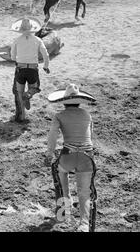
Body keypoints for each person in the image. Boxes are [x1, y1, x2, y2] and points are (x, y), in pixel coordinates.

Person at [46, 83, 98, 232]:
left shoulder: (59, 116)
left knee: (59, 172)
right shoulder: (87, 115)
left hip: (68, 155)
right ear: (80, 101)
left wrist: (49, 153)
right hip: (87, 157)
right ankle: (84, 224)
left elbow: (53, 135)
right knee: (84, 191)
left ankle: (63, 212)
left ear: (64, 102)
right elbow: (91, 138)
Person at [10, 17, 50, 122]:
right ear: (33, 28)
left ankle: (21, 116)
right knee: (35, 87)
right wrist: (45, 66)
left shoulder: (16, 40)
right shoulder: (38, 40)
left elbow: (12, 57)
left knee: (18, 92)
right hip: (33, 69)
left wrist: (18, 59)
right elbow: (46, 55)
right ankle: (28, 94)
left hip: (20, 69)